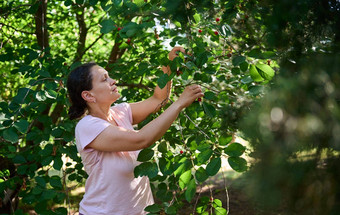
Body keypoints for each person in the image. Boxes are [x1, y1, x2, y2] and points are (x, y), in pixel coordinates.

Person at [66, 47, 204, 215]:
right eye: (104, 79)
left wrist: (169, 65)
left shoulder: (120, 112)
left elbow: (158, 100)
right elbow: (142, 139)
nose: (113, 80)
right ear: (88, 96)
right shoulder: (88, 126)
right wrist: (179, 103)